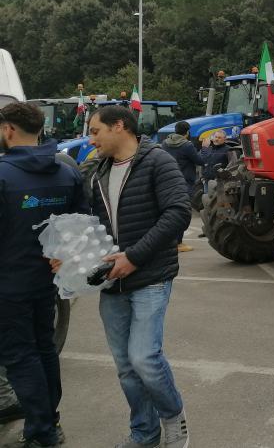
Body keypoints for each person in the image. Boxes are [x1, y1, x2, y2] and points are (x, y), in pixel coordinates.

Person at [86, 105, 192, 448]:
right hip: (111, 281)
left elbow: (178, 213)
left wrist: (133, 257)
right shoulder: (97, 170)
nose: (91, 139)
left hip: (150, 275)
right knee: (125, 367)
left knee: (144, 358)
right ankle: (144, 434)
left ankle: (174, 420)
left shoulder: (158, 161)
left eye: (95, 131)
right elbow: (90, 223)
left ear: (119, 126)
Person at [0, 102, 87, 447]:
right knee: (44, 350)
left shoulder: (3, 175)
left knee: (21, 357)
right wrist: (62, 256)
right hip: (46, 281)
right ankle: (50, 421)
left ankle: (42, 432)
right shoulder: (66, 172)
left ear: (8, 129)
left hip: (8, 284)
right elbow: (82, 225)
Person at [161, 121, 203, 252]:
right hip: (184, 182)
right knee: (182, 213)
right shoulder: (187, 145)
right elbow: (199, 161)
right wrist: (205, 149)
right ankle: (178, 243)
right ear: (187, 132)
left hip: (167, 181)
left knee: (169, 213)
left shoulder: (165, 143)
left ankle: (169, 241)